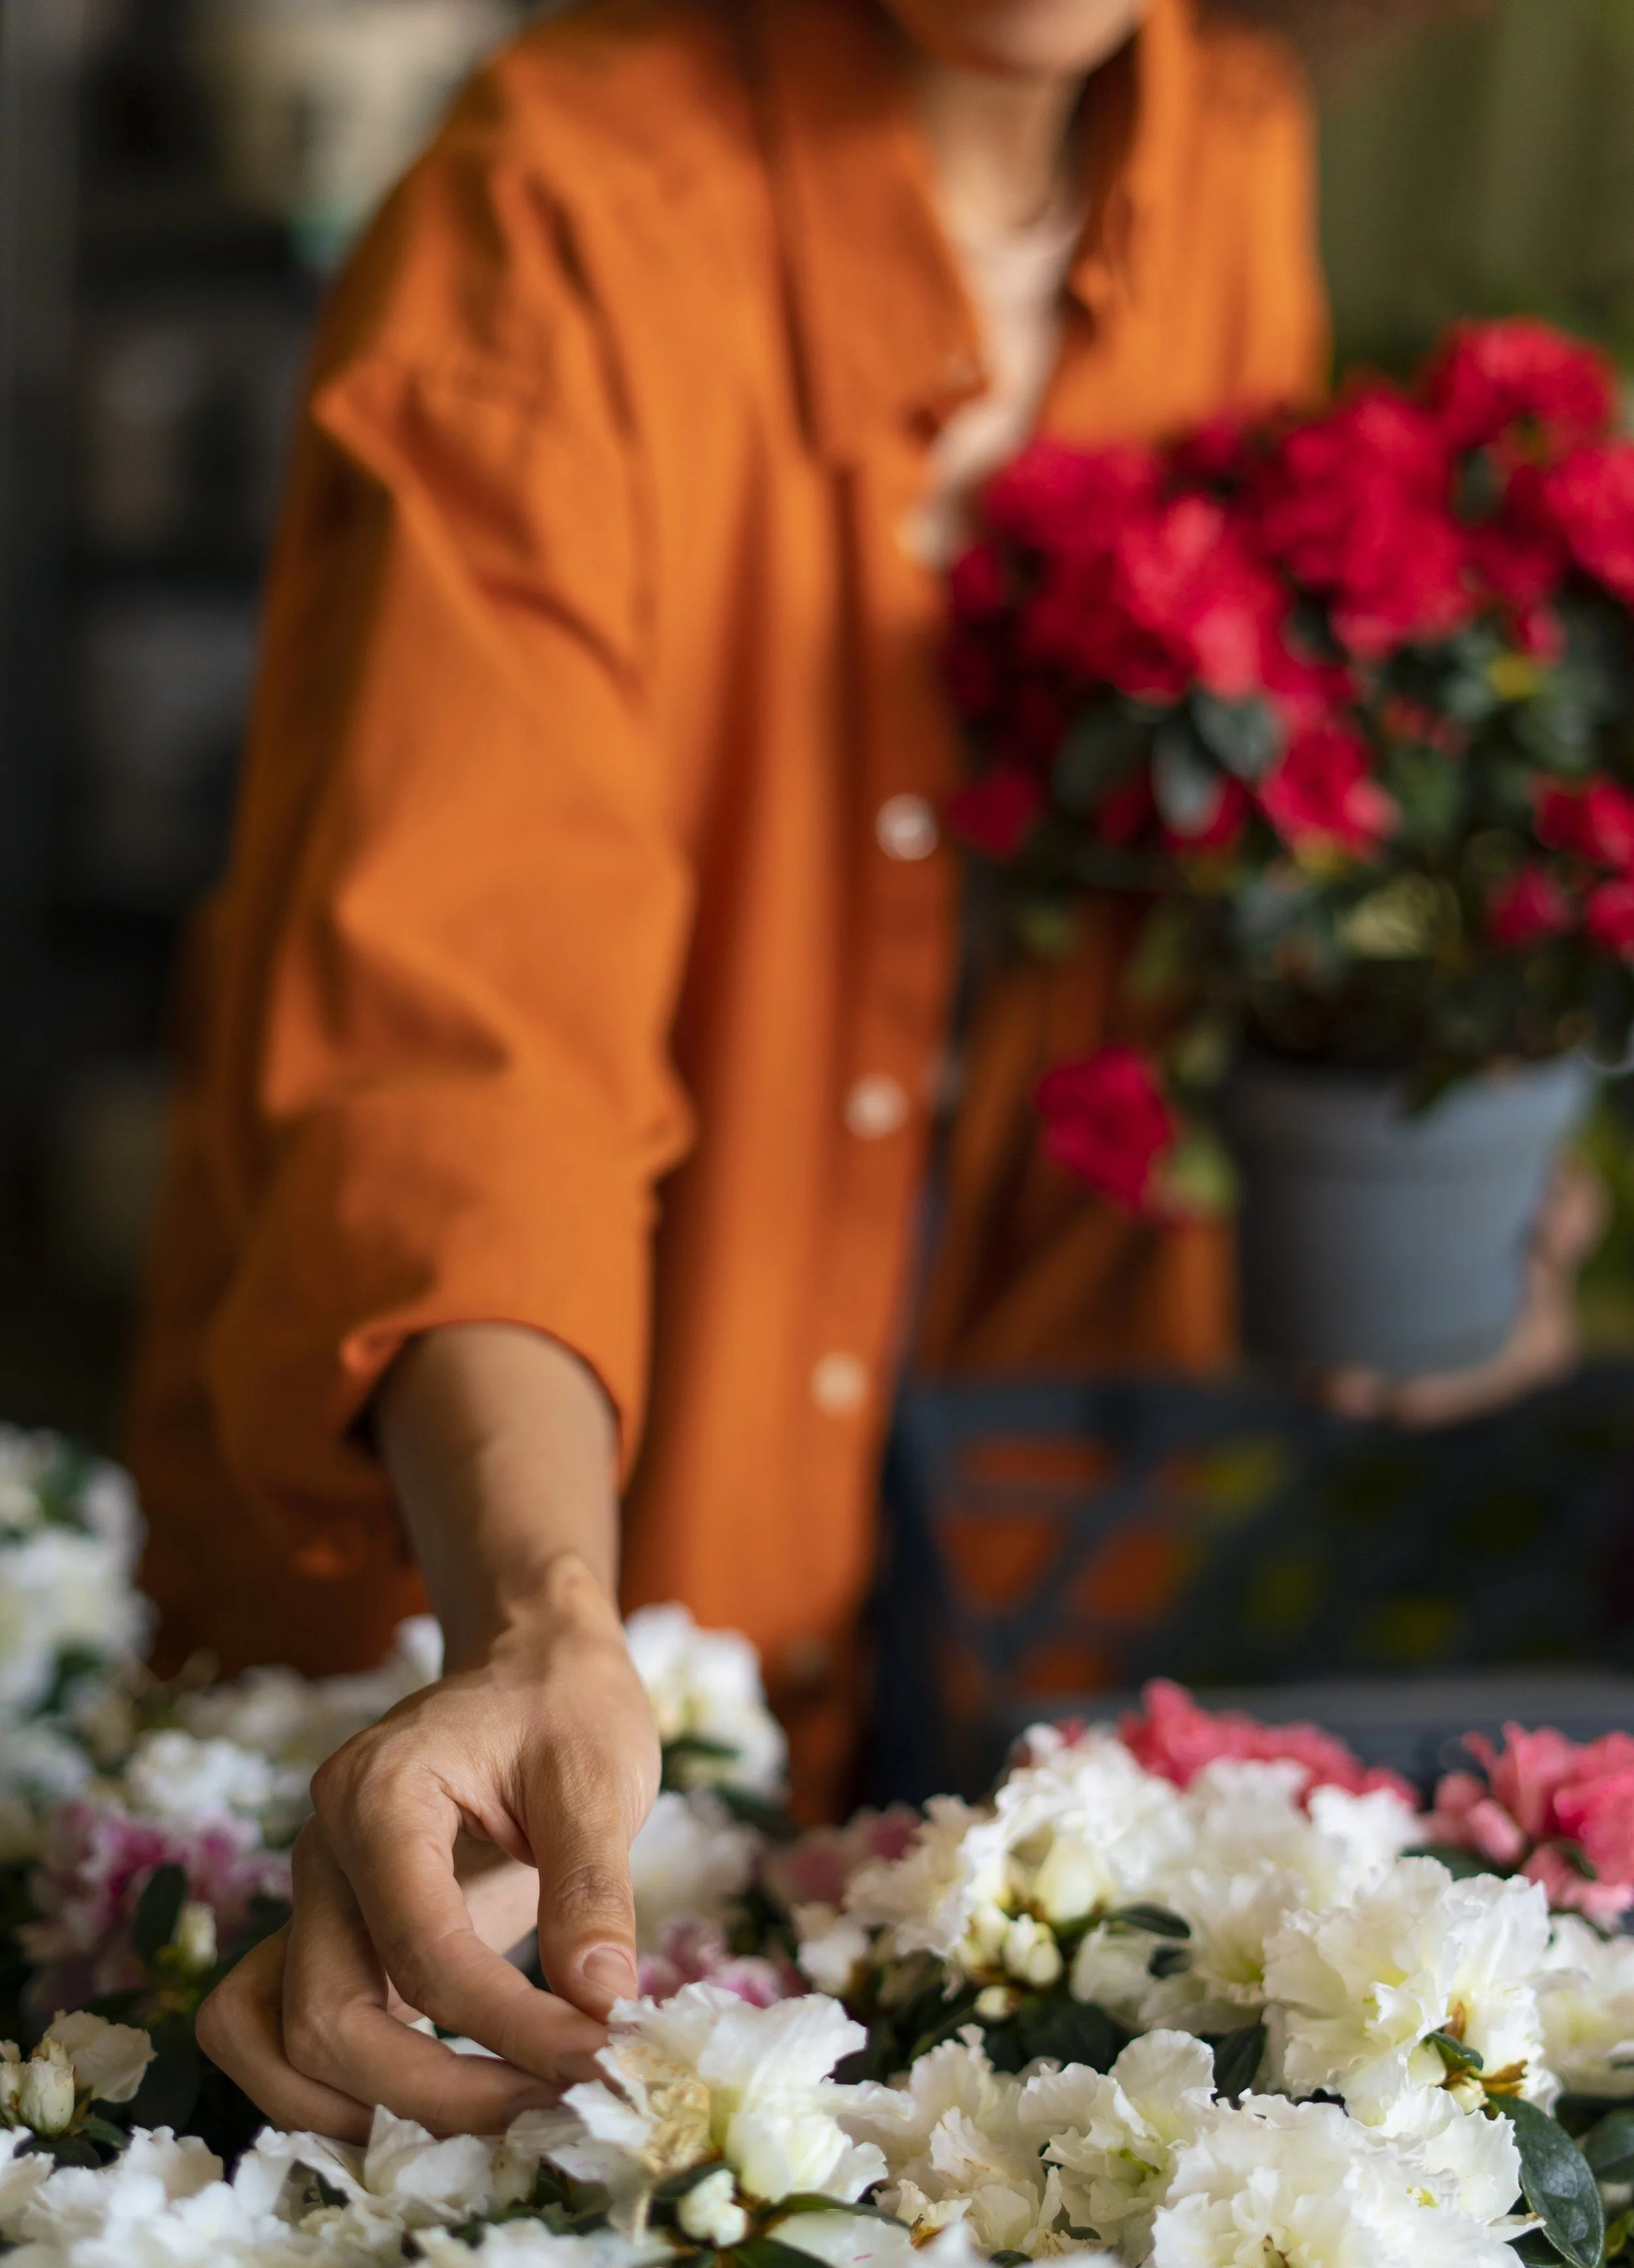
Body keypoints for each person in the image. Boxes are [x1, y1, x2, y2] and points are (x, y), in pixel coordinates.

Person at [126, 0, 1559, 2140]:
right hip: (525, 1646)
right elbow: (464, 1030)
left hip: (1017, 1577)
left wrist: (1455, 1150)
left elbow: (1230, 846)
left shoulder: (1221, 162)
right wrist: (537, 1615)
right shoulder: (556, 205)